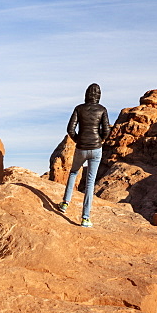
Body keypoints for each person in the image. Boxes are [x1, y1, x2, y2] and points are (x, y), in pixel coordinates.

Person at [58, 83, 110, 227]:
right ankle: (85, 218)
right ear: (99, 96)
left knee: (74, 172)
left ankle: (64, 204)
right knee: (90, 182)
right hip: (96, 149)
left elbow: (70, 129)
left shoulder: (79, 108)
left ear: (86, 94)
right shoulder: (102, 109)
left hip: (81, 147)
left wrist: (78, 140)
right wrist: (99, 140)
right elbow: (106, 130)